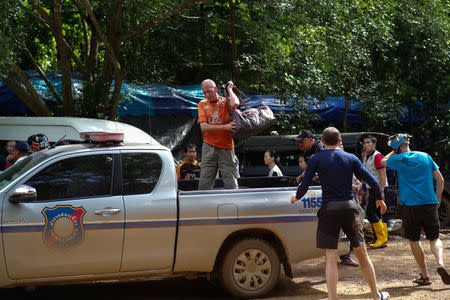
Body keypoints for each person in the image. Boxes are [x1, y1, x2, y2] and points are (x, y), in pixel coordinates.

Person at [291, 127, 389, 300]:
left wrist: (296, 197)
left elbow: (304, 184)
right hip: (349, 208)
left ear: (322, 140)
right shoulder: (350, 158)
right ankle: (376, 295)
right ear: (339, 141)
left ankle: (332, 298)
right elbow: (372, 181)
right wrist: (380, 198)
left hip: (329, 210)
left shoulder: (315, 158)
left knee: (330, 257)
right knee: (362, 254)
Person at [381, 134, 449, 286]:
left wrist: (394, 150)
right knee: (434, 238)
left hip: (409, 206)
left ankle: (425, 276)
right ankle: (440, 263)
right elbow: (441, 180)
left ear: (397, 148)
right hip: (429, 203)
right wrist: (438, 197)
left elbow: (382, 161)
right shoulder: (425, 156)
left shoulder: (397, 159)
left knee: (414, 240)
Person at [197, 79, 239, 190]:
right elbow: (204, 127)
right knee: (204, 182)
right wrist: (225, 127)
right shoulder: (202, 104)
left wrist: (229, 89)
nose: (207, 94)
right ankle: (204, 206)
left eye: (209, 91)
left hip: (226, 147)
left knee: (231, 182)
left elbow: (235, 103)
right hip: (209, 146)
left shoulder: (225, 101)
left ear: (215, 89)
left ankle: (233, 204)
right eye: (204, 92)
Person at [362, 135, 389, 248]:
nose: (366, 145)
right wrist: (368, 193)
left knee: (370, 213)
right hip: (372, 189)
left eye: (368, 143)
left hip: (379, 189)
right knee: (378, 213)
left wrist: (381, 191)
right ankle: (381, 239)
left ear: (374, 144)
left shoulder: (377, 156)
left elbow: (383, 174)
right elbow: (368, 177)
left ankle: (381, 239)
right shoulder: (366, 157)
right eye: (364, 143)